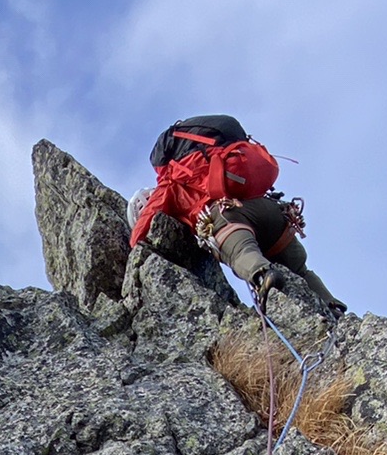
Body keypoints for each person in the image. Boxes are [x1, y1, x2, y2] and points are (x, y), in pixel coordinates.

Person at [128, 113, 346, 316]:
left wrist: (133, 251)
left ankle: (261, 275)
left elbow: (148, 220)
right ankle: (331, 304)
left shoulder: (170, 182)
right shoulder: (208, 161)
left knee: (240, 251)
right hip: (272, 211)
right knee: (300, 269)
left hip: (229, 217)